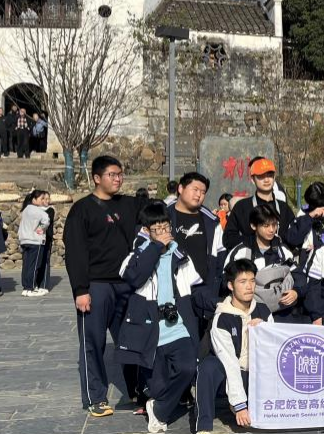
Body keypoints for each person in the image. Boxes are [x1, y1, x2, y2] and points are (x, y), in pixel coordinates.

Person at [63, 155, 141, 418]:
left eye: (120, 174)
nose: (118, 179)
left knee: (131, 341)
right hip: (96, 286)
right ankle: (95, 397)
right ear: (97, 178)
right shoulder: (82, 209)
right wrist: (80, 290)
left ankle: (137, 391)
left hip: (126, 285)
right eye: (112, 174)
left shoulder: (129, 205)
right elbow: (75, 252)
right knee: (93, 342)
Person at [118, 202, 201, 434]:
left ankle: (159, 410)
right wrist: (154, 247)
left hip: (178, 325)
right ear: (146, 231)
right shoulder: (136, 256)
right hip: (150, 329)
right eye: (157, 229)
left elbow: (195, 288)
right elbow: (134, 278)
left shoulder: (180, 255)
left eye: (166, 227)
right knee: (158, 385)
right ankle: (158, 404)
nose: (164, 233)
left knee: (187, 368)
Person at [195, 259, 272, 433]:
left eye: (252, 281)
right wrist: (239, 404)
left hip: (257, 375)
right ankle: (204, 426)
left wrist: (265, 331)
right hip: (231, 375)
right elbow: (229, 362)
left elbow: (274, 351)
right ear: (231, 285)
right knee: (208, 367)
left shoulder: (263, 310)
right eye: (242, 282)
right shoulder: (221, 318)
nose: (249, 287)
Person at [226, 204, 303, 323]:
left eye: (274, 225)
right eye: (266, 225)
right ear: (253, 226)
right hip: (250, 314)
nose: (271, 230)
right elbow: (226, 281)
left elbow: (298, 274)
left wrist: (296, 292)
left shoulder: (283, 250)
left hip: (282, 313)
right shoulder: (241, 252)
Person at [167, 172, 224, 319]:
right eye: (195, 189)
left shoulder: (211, 221)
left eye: (203, 192)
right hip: (171, 289)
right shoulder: (164, 216)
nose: (199, 195)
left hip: (202, 291)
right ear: (181, 189)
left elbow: (221, 257)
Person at [225, 158, 295, 251]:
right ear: (252, 179)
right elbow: (228, 239)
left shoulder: (284, 208)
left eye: (270, 175)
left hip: (279, 258)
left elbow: (294, 237)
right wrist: (253, 242)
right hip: (250, 258)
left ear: (274, 177)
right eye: (261, 176)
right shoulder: (242, 207)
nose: (266, 180)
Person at [19, 190, 52, 296]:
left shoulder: (25, 210)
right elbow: (46, 221)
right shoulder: (39, 211)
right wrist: (41, 229)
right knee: (34, 265)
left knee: (26, 265)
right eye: (41, 199)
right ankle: (31, 287)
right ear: (34, 199)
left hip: (24, 240)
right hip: (35, 241)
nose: (43, 201)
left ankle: (25, 287)